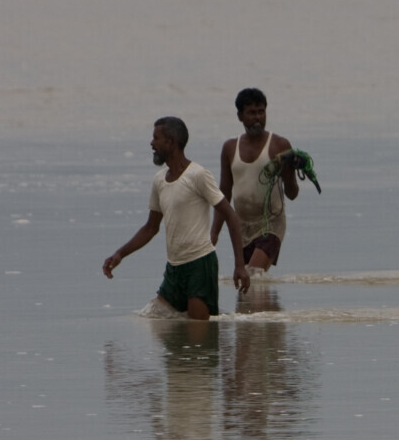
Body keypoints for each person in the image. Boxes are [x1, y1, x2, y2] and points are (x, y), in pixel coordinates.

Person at [103, 116, 252, 320]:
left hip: (200, 266)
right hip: (174, 269)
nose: (151, 143)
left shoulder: (198, 175)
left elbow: (230, 216)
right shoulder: (159, 181)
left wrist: (240, 265)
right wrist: (120, 253)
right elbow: (150, 228)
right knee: (157, 325)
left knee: (199, 338)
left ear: (171, 142)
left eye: (156, 138)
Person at [214, 87, 300, 275]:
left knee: (253, 273)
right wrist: (214, 233)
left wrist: (290, 169)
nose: (257, 117)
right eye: (251, 113)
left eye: (261, 111)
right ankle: (270, 305)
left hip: (271, 224)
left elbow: (292, 194)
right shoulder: (230, 148)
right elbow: (223, 194)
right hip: (241, 227)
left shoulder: (279, 145)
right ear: (240, 116)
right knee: (247, 281)